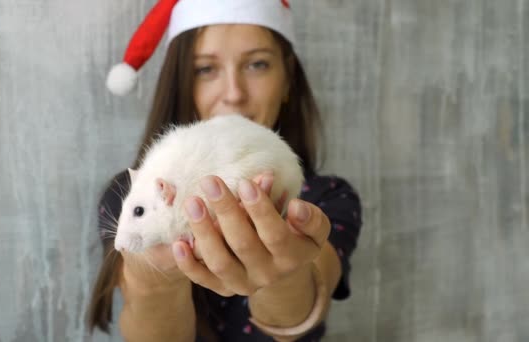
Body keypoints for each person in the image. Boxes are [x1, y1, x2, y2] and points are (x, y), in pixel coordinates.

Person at [87, 1, 362, 341]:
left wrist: (285, 277)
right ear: (181, 83)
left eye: (257, 64)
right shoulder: (128, 194)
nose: (233, 94)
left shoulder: (325, 197)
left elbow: (303, 308)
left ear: (287, 79)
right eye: (205, 69)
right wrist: (152, 273)